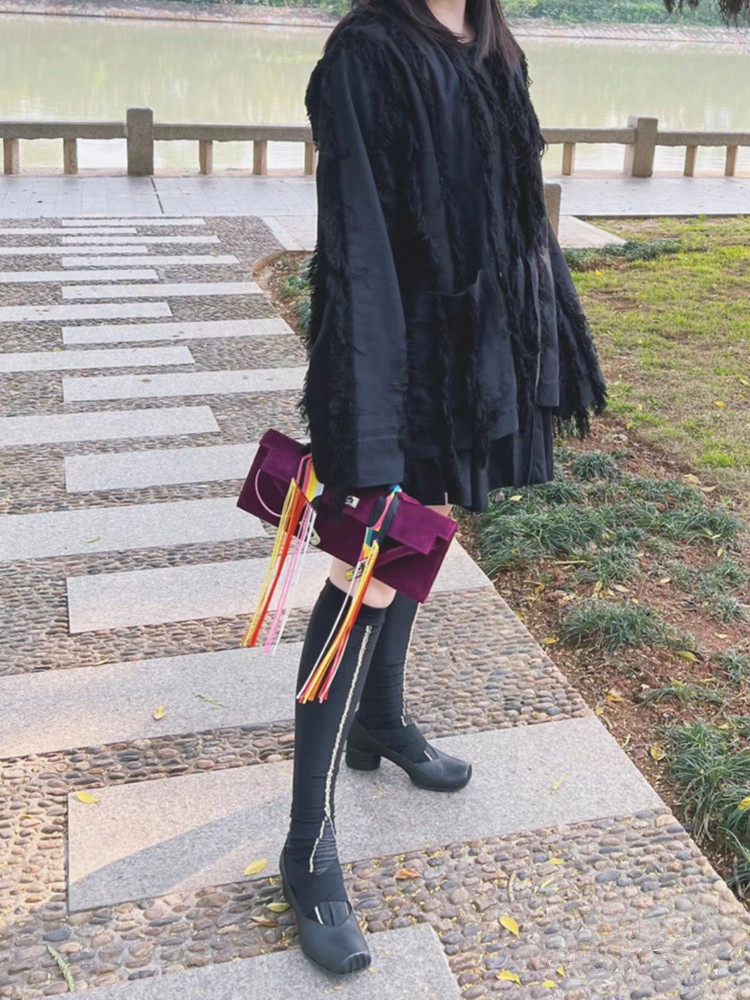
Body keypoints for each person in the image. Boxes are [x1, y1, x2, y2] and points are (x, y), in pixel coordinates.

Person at [278, 0, 608, 976]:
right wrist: (370, 436)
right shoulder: (367, 53)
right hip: (396, 365)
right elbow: (356, 253)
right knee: (365, 576)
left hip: (477, 352)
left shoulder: (493, 45)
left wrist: (546, 344)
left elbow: (518, 215)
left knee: (429, 534)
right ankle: (305, 845)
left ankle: (382, 717)